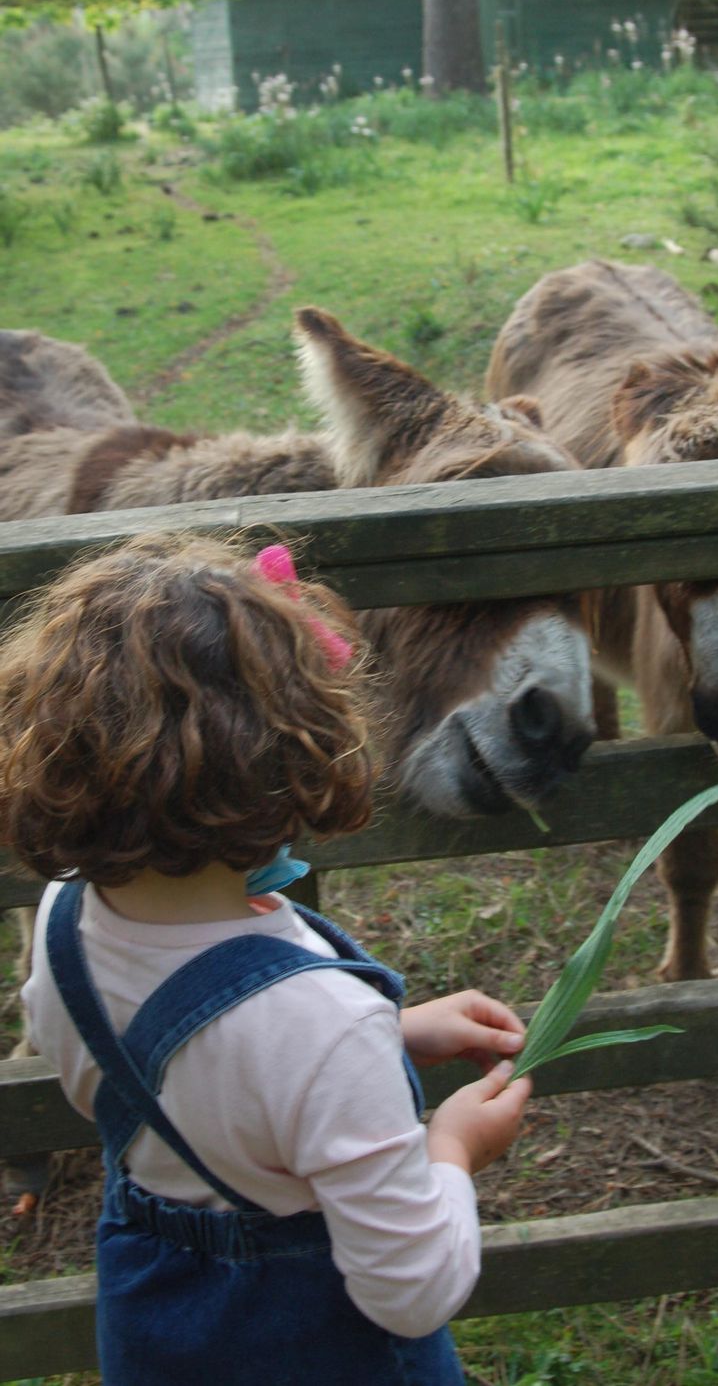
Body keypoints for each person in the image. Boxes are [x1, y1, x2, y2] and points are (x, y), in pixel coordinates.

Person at [0, 533, 532, 1386]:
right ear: (293, 748)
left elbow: (165, 1063)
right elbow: (414, 1291)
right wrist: (453, 1147)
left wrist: (389, 1034)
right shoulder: (321, 1027)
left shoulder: (64, 918)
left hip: (157, 1325)